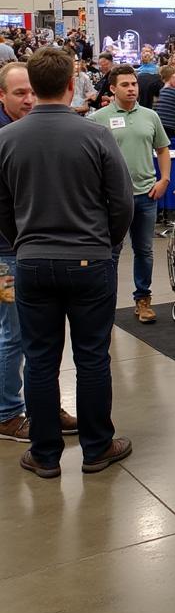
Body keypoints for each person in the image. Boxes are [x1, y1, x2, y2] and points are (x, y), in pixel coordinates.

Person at [0, 48, 134, 477]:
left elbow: (2, 207)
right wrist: (106, 244)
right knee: (92, 357)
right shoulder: (95, 134)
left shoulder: (7, 139)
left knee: (40, 359)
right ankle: (97, 448)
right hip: (89, 260)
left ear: (32, 88)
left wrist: (22, 241)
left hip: (33, 262)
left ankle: (44, 453)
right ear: (73, 84)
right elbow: (122, 201)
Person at [87, 65, 171, 325]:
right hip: (112, 200)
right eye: (125, 84)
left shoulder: (149, 116)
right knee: (110, 252)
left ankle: (143, 300)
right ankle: (105, 303)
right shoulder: (97, 119)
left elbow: (163, 149)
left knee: (144, 251)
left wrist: (164, 179)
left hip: (146, 195)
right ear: (112, 88)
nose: (132, 88)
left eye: (134, 84)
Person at [0, 62, 49, 443]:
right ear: (2, 96)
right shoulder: (4, 137)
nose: (29, 99)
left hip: (31, 249)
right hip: (9, 252)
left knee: (38, 335)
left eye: (32, 91)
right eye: (19, 93)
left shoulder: (32, 130)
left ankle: (41, 405)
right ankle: (7, 413)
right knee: (15, 335)